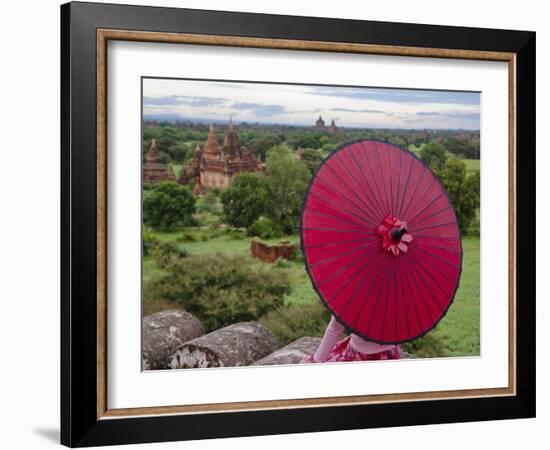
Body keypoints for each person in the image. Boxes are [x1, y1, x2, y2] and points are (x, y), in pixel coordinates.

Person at [300, 315, 401, 363]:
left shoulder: (353, 291)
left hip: (357, 354)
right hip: (390, 353)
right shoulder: (400, 294)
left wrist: (317, 359)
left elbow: (335, 328)